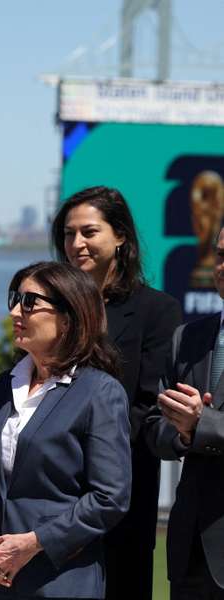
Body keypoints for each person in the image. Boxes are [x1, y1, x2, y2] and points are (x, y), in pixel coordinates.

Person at [0, 261, 131, 598]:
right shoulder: (3, 386)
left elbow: (110, 498)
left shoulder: (100, 392)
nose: (14, 312)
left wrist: (33, 542)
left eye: (29, 302)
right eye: (14, 298)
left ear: (68, 318)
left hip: (62, 580)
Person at [51, 186, 182, 600]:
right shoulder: (49, 308)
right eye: (69, 235)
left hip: (118, 496)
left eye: (89, 232)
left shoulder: (157, 311)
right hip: (49, 493)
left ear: (120, 235)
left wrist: (82, 447)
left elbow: (148, 405)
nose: (77, 244)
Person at [144, 225, 224, 600]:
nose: (222, 266)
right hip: (191, 552)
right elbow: (155, 424)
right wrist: (183, 433)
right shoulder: (187, 338)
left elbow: (197, 420)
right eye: (221, 256)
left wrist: (201, 424)